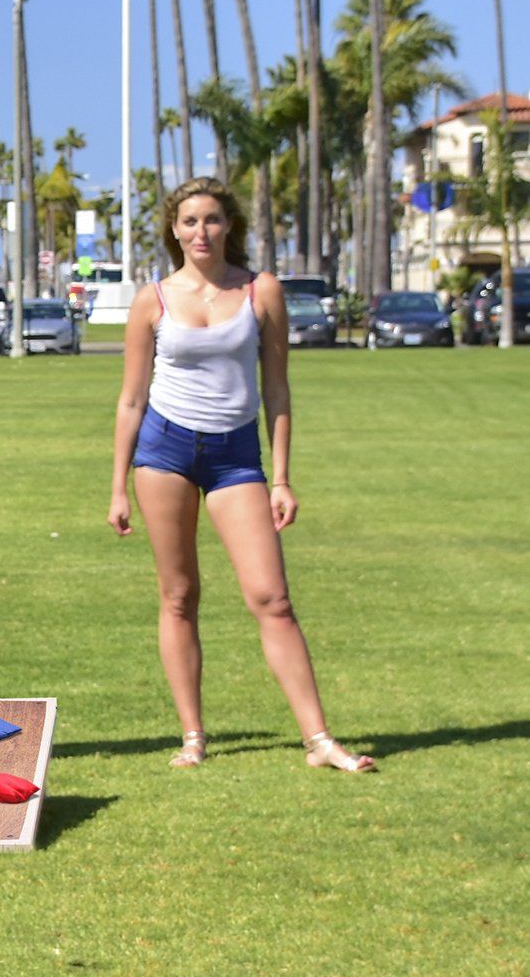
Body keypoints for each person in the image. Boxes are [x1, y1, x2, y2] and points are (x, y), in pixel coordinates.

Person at [109, 178, 375, 773]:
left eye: (211, 220)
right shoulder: (152, 299)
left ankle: (319, 741)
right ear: (173, 230)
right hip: (164, 452)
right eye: (189, 222)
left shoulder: (262, 291)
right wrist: (117, 486)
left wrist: (280, 478)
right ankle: (192, 736)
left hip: (236, 457)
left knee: (271, 597)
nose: (200, 232)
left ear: (229, 225)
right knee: (179, 596)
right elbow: (130, 400)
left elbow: (277, 389)